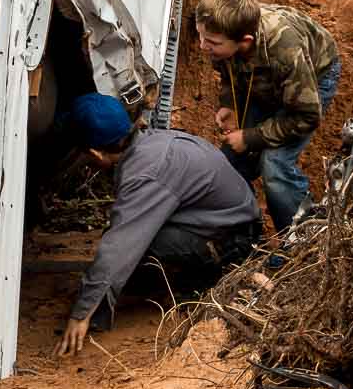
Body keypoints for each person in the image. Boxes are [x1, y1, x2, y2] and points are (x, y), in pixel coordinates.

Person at [56, 93, 261, 356]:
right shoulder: (151, 142)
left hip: (235, 240)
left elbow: (121, 246)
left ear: (95, 152)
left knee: (136, 240)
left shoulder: (145, 174)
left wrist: (82, 313)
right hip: (229, 222)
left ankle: (205, 279)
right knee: (130, 235)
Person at [193, 0, 341, 232]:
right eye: (201, 36)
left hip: (310, 79)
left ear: (245, 41)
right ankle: (244, 232)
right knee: (231, 158)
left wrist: (250, 137)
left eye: (212, 43)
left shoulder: (285, 50)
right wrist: (229, 103)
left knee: (274, 165)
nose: (202, 46)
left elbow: (306, 116)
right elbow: (227, 67)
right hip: (267, 75)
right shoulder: (223, 33)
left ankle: (299, 239)